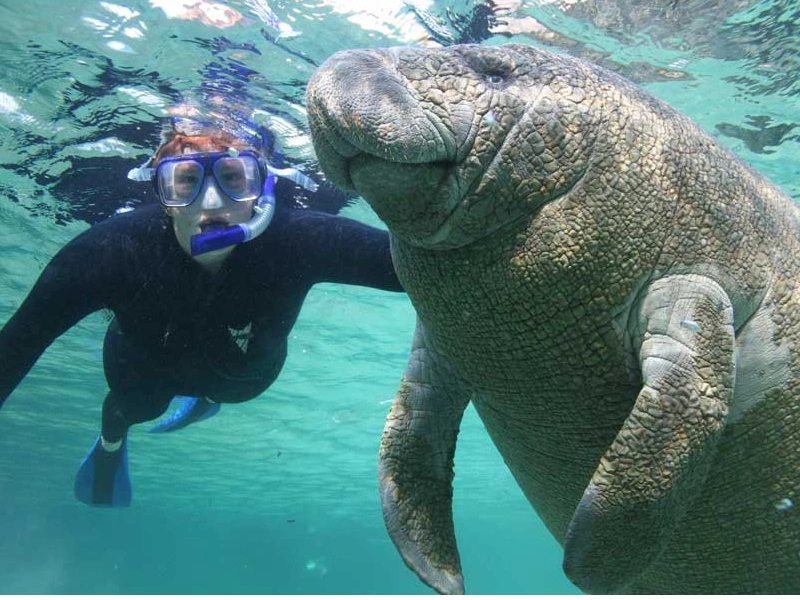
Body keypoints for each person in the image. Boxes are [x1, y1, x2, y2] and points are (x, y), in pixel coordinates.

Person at [0, 115, 403, 507]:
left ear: (262, 189)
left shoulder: (300, 238)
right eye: (186, 182)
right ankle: (111, 443)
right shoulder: (111, 252)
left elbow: (414, 269)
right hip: (142, 370)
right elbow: (17, 345)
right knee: (131, 408)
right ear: (163, 195)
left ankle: (203, 402)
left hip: (242, 378)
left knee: (234, 388)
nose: (211, 203)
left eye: (232, 179)